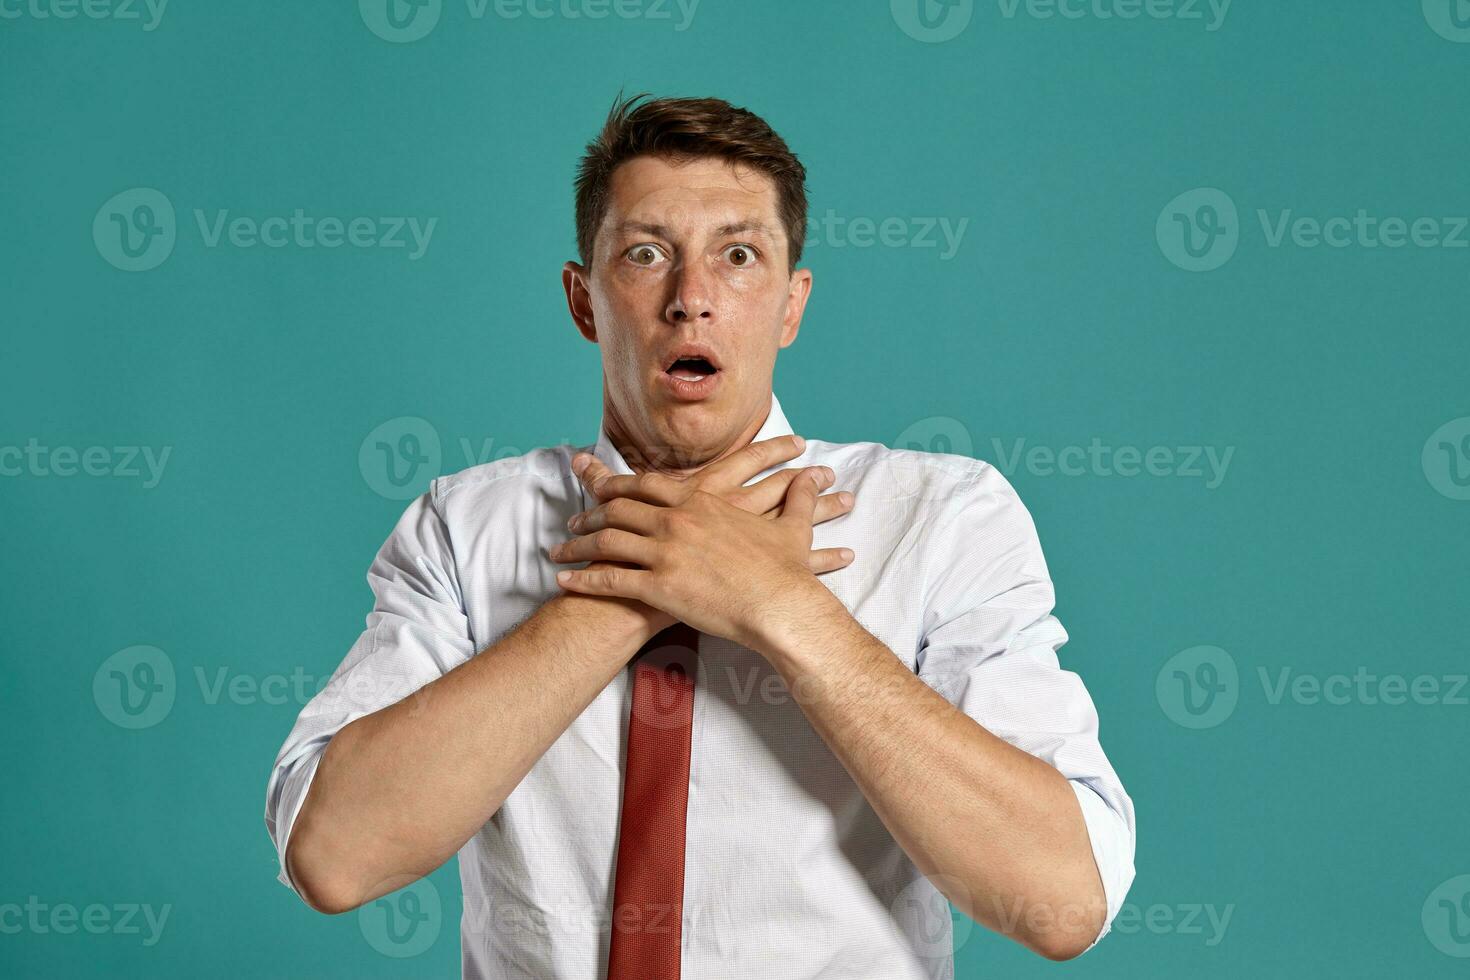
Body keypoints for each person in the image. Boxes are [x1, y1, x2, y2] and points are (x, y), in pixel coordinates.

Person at [265, 93, 1136, 979]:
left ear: (791, 305)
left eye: (740, 256)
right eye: (646, 255)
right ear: (583, 300)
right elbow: (335, 857)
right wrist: (641, 584)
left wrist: (781, 607)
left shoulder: (943, 516)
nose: (692, 300)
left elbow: (1062, 900)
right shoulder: (463, 527)